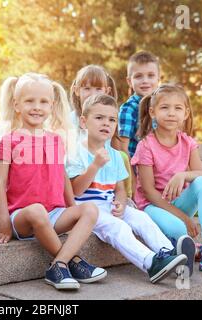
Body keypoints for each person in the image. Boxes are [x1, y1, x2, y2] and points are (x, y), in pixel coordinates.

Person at [0, 73, 107, 290]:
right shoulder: (10, 140)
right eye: (29, 101)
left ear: (51, 105)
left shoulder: (56, 140)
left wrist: (73, 208)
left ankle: (58, 265)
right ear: (17, 105)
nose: (37, 107)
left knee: (90, 209)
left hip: (54, 214)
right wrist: (4, 222)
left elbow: (62, 175)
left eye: (43, 101)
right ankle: (73, 262)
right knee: (37, 210)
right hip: (24, 216)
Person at [66, 93, 191, 283]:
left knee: (142, 218)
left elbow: (120, 189)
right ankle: (151, 263)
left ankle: (168, 253)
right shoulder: (76, 153)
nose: (106, 123)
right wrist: (95, 166)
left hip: (109, 205)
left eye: (111, 120)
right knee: (119, 228)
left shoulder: (116, 155)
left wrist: (122, 203)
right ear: (84, 122)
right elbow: (76, 191)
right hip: (87, 211)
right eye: (99, 118)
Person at [131, 84, 202, 278]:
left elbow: (201, 173)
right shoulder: (146, 145)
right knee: (179, 228)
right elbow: (148, 192)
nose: (171, 113)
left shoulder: (188, 143)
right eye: (164, 107)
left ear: (186, 113)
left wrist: (183, 175)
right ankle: (192, 248)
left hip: (178, 203)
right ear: (153, 112)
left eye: (178, 108)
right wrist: (184, 217)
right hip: (152, 207)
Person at [69, 65, 134, 200]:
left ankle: (125, 197)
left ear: (107, 91)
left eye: (98, 89)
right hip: (79, 168)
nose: (93, 93)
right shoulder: (70, 120)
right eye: (87, 88)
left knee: (121, 157)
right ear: (76, 90)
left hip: (103, 173)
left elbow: (113, 149)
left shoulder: (109, 118)